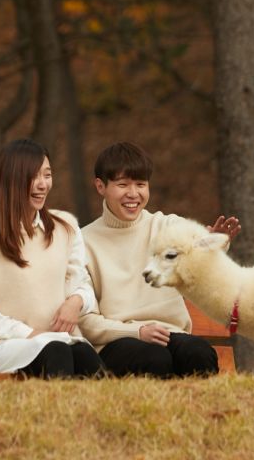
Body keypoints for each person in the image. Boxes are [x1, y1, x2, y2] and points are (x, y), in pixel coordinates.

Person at [78, 141, 240, 378]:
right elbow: (86, 321)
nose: (133, 194)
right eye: (123, 184)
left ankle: (201, 414)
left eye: (141, 184)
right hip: (118, 342)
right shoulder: (83, 242)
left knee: (198, 353)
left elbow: (194, 249)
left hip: (171, 334)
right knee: (153, 358)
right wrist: (138, 331)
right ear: (101, 186)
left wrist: (213, 244)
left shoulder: (165, 226)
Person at [0, 138, 103, 378]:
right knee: (56, 352)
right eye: (34, 176)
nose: (43, 184)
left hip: (59, 341)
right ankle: (54, 415)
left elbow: (82, 283)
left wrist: (76, 301)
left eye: (47, 175)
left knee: (86, 356)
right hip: (2, 347)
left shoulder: (66, 228)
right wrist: (26, 333)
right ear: (11, 179)